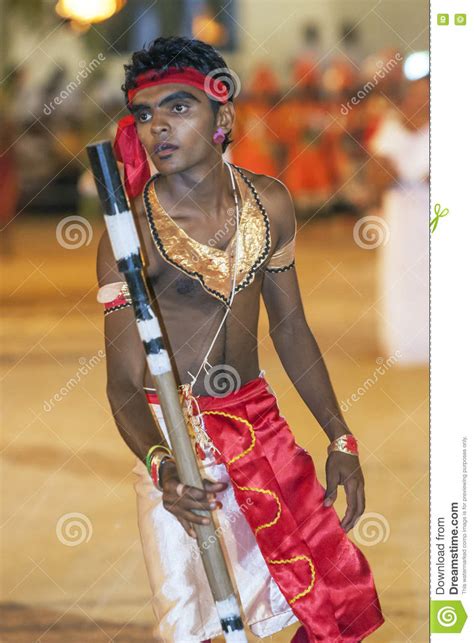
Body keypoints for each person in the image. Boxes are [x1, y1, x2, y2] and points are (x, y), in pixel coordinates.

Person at [96, 36, 384, 642]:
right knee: (197, 627)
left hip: (261, 430)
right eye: (144, 115)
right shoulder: (130, 239)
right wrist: (163, 468)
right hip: (181, 444)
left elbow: (290, 327)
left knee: (330, 602)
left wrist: (341, 436)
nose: (158, 129)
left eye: (179, 108)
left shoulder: (271, 203)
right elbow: (124, 385)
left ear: (222, 117)